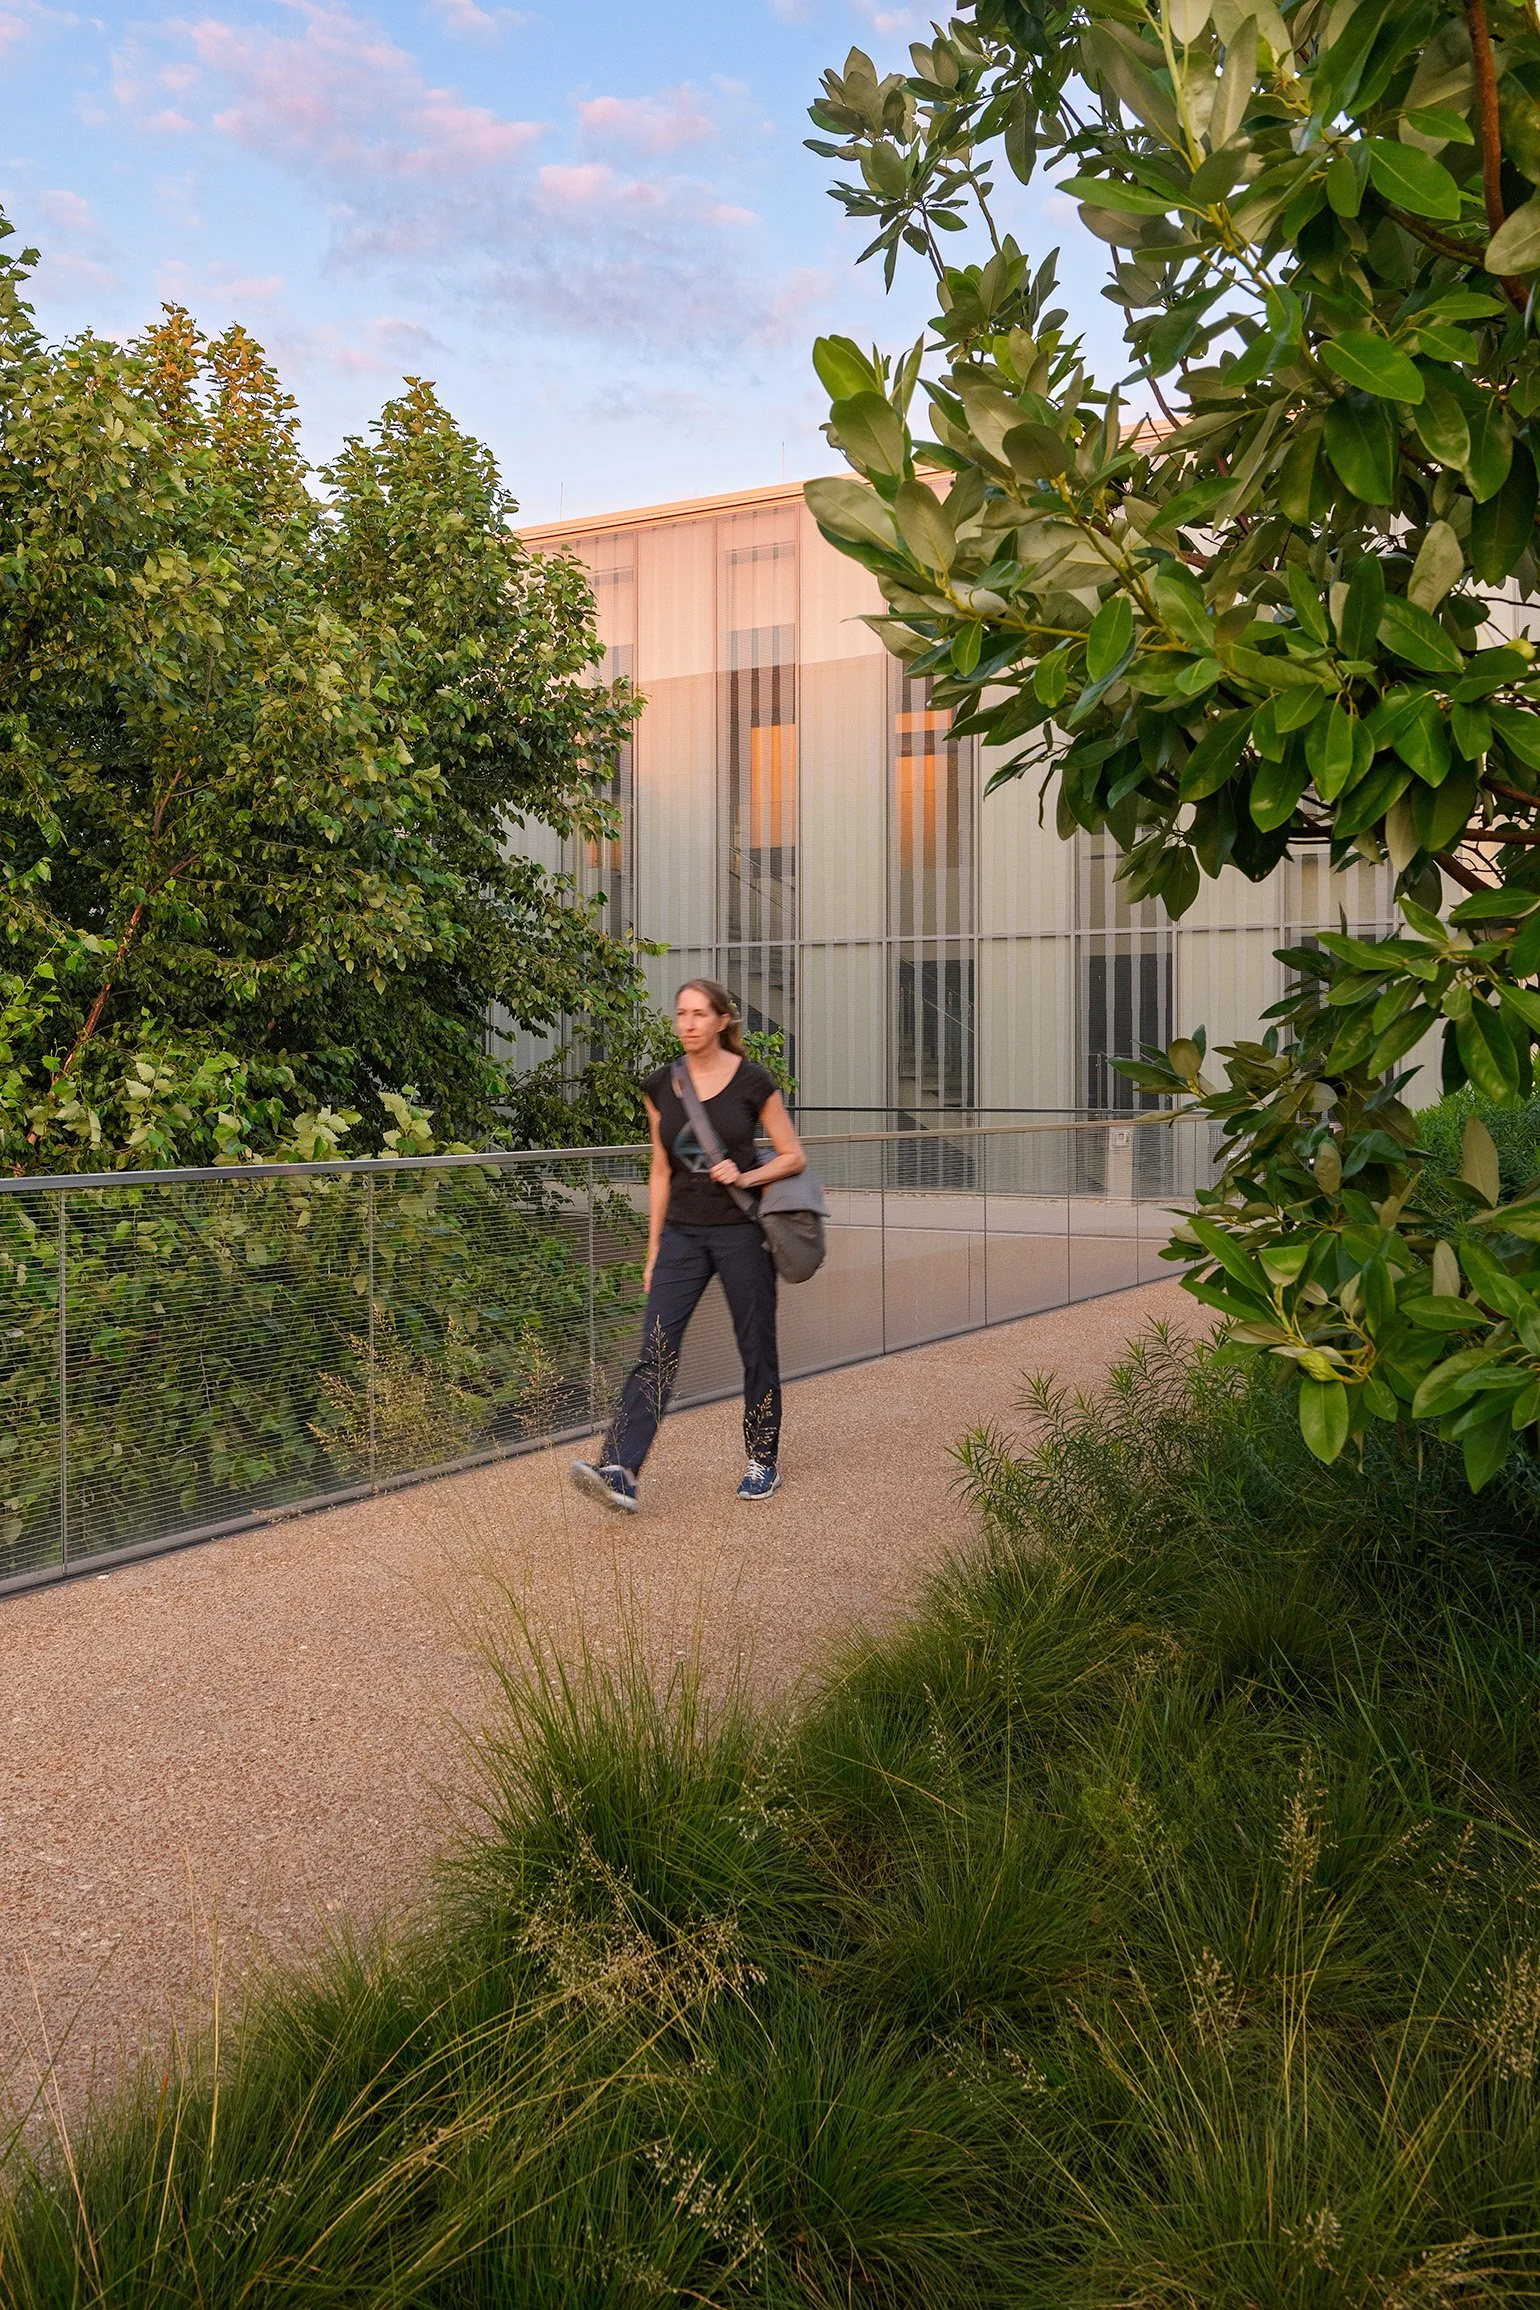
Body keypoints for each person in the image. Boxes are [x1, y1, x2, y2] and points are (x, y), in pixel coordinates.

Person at [570, 978, 807, 1513]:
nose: (689, 1024)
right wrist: (654, 1248)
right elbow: (659, 1170)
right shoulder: (662, 1085)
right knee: (656, 1350)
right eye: (681, 1014)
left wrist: (747, 1177)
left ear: (723, 1020)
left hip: (743, 1233)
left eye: (700, 1013)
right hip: (681, 1234)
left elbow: (793, 1156)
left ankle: (761, 1458)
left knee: (756, 1348)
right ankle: (622, 1469)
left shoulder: (752, 1081)